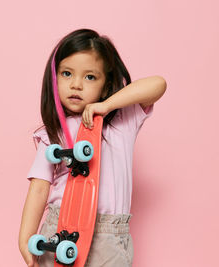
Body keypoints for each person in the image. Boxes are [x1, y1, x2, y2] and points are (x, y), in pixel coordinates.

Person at [18, 28, 166, 267]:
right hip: (60, 227)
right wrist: (24, 238)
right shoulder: (52, 132)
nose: (76, 84)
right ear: (54, 79)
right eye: (67, 73)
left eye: (90, 77)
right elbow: (39, 188)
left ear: (106, 85)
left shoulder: (121, 122)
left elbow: (158, 84)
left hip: (109, 237)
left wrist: (106, 106)